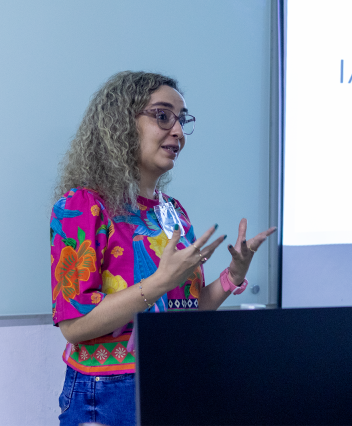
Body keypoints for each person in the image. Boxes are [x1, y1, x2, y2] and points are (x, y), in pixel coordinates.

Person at [50, 71, 276, 426]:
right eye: (162, 116)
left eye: (182, 119)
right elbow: (74, 325)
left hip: (175, 376)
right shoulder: (82, 206)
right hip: (111, 391)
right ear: (121, 123)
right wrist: (159, 283)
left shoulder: (172, 211)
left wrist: (232, 277)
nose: (178, 132)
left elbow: (184, 312)